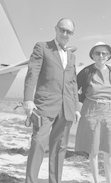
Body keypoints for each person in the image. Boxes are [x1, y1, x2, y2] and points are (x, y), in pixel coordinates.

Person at [23, 18, 81, 183]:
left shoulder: (72, 56)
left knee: (59, 149)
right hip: (44, 106)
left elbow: (73, 83)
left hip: (66, 108)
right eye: (62, 30)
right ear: (56, 29)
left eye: (68, 32)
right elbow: (32, 73)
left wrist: (76, 107)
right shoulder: (42, 47)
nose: (65, 34)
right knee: (38, 143)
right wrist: (28, 99)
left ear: (72, 34)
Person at [75, 42, 111, 183]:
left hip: (108, 111)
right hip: (91, 110)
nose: (101, 56)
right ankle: (95, 181)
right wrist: (78, 109)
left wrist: (105, 101)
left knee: (108, 149)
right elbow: (74, 91)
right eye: (97, 53)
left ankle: (109, 181)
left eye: (104, 53)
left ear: (108, 56)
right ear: (93, 56)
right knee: (93, 149)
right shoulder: (86, 72)